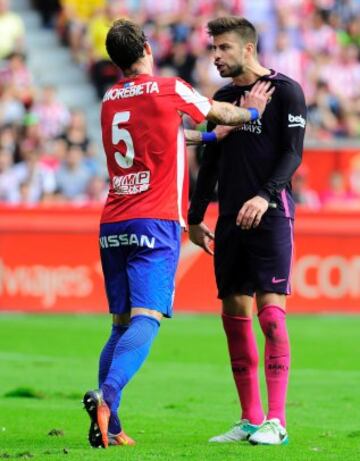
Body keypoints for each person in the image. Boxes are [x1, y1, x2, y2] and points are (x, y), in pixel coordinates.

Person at [82, 18, 273, 449]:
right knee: (147, 319)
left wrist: (208, 137)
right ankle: (105, 396)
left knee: (119, 325)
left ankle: (110, 425)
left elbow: (163, 134)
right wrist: (254, 110)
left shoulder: (110, 99)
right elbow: (218, 109)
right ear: (147, 48)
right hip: (155, 219)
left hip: (113, 220)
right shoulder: (168, 88)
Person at [188, 16, 306, 446]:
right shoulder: (221, 99)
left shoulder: (286, 91)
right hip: (229, 222)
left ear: (248, 49)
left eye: (223, 48)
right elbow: (211, 160)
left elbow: (293, 154)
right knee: (234, 317)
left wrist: (266, 195)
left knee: (271, 316)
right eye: (213, 49)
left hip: (272, 214)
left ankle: (278, 421)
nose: (215, 56)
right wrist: (196, 215)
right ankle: (251, 419)